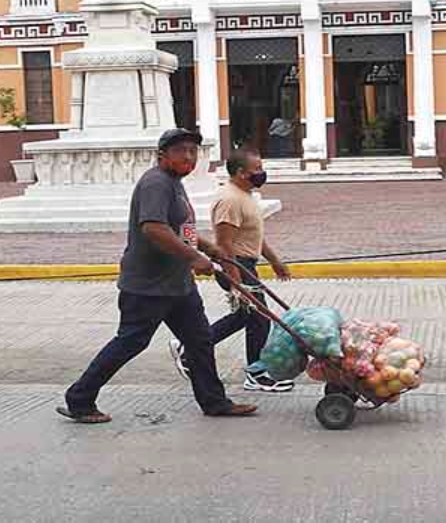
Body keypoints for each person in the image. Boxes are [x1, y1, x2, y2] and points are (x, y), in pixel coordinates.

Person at [57, 128, 257, 423]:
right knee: (131, 341)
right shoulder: (156, 183)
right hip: (148, 286)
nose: (189, 157)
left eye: (193, 151)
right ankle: (80, 399)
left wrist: (208, 248)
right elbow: (153, 228)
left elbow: (182, 226)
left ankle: (214, 402)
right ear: (162, 155)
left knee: (200, 340)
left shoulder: (176, 183)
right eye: (181, 151)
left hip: (178, 286)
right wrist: (194, 257)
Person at [170, 148, 294, 392]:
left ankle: (189, 348)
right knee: (259, 320)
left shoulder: (246, 195)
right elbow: (225, 243)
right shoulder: (229, 200)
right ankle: (256, 374)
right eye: (256, 169)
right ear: (240, 172)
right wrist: (236, 281)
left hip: (247, 264)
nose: (261, 173)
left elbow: (254, 236)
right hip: (236, 265)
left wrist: (274, 261)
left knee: (245, 317)